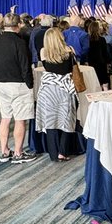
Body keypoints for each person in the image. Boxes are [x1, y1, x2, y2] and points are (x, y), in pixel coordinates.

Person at [0, 13, 39, 162]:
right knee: (20, 119)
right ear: (18, 26)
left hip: (0, 84)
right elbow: (25, 67)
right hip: (18, 84)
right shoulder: (19, 43)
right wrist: (30, 84)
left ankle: (4, 151)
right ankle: (18, 153)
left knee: (5, 118)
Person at [37, 27, 79, 161]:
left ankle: (54, 154)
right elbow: (74, 67)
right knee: (67, 121)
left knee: (50, 122)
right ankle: (63, 151)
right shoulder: (69, 50)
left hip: (48, 89)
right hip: (65, 89)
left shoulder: (44, 52)